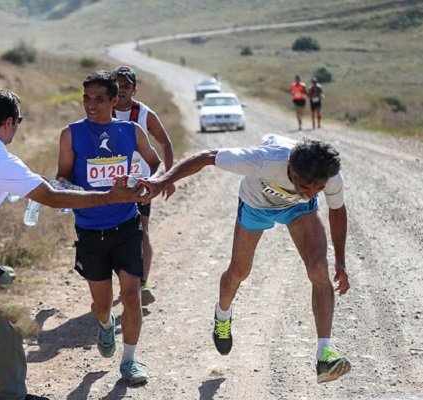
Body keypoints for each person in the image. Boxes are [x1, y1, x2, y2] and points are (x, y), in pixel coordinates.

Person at [0, 89, 146, 400]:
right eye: (19, 122)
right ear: (9, 122)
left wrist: (25, 184)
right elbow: (51, 198)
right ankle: (11, 394)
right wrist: (111, 196)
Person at [142, 134, 351, 384]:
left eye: (317, 189)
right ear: (290, 171)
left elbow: (337, 210)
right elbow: (207, 157)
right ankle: (222, 315)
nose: (311, 193)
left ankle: (324, 356)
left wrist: (341, 261)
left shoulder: (328, 176)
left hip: (297, 212)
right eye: (305, 187)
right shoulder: (263, 161)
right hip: (256, 205)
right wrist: (163, 180)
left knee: (319, 269)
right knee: (239, 272)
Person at [56, 71, 162, 385]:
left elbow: (155, 164)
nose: (91, 105)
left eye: (100, 99)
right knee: (102, 305)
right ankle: (104, 324)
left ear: (115, 101)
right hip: (89, 230)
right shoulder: (71, 134)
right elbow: (62, 176)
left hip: (126, 224)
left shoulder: (131, 131)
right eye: (87, 98)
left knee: (131, 295)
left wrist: (150, 184)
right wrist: (58, 188)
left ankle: (130, 361)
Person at [112, 65, 176, 306]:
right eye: (117, 85)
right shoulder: (103, 109)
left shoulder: (144, 114)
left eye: (126, 86)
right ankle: (123, 282)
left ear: (134, 90)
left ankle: (143, 283)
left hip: (140, 181)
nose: (121, 90)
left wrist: (167, 179)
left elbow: (165, 143)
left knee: (142, 231)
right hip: (110, 183)